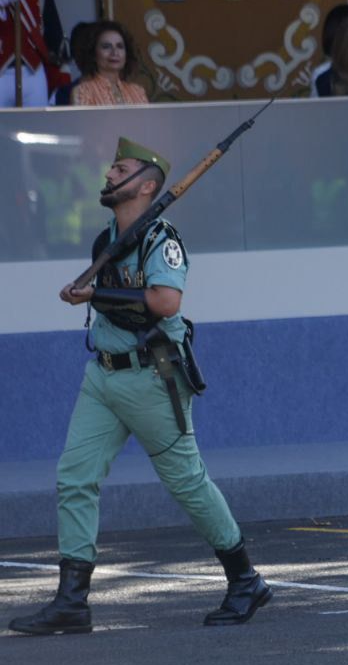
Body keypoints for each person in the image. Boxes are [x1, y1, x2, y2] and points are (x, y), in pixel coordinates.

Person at [8, 138, 272, 636]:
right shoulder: (106, 238)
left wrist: (95, 292)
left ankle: (245, 579)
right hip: (103, 375)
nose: (108, 175)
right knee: (75, 477)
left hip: (152, 376)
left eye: (120, 168)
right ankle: (72, 601)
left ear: (146, 186)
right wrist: (87, 293)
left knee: (187, 482)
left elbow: (166, 300)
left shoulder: (160, 238)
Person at [71, 20, 147, 106]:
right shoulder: (83, 91)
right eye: (106, 47)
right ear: (93, 54)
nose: (115, 53)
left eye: (120, 46)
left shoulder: (138, 92)